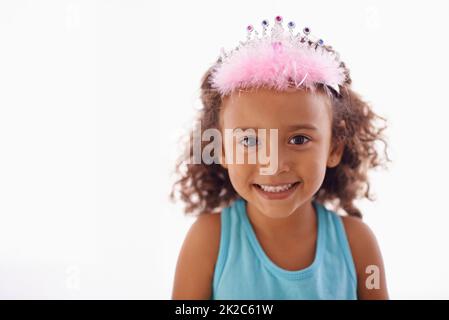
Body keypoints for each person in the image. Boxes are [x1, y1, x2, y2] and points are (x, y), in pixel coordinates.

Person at [171, 16, 390, 299]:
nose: (273, 164)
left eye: (299, 139)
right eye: (249, 140)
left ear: (334, 147)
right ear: (221, 148)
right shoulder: (207, 242)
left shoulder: (359, 246)